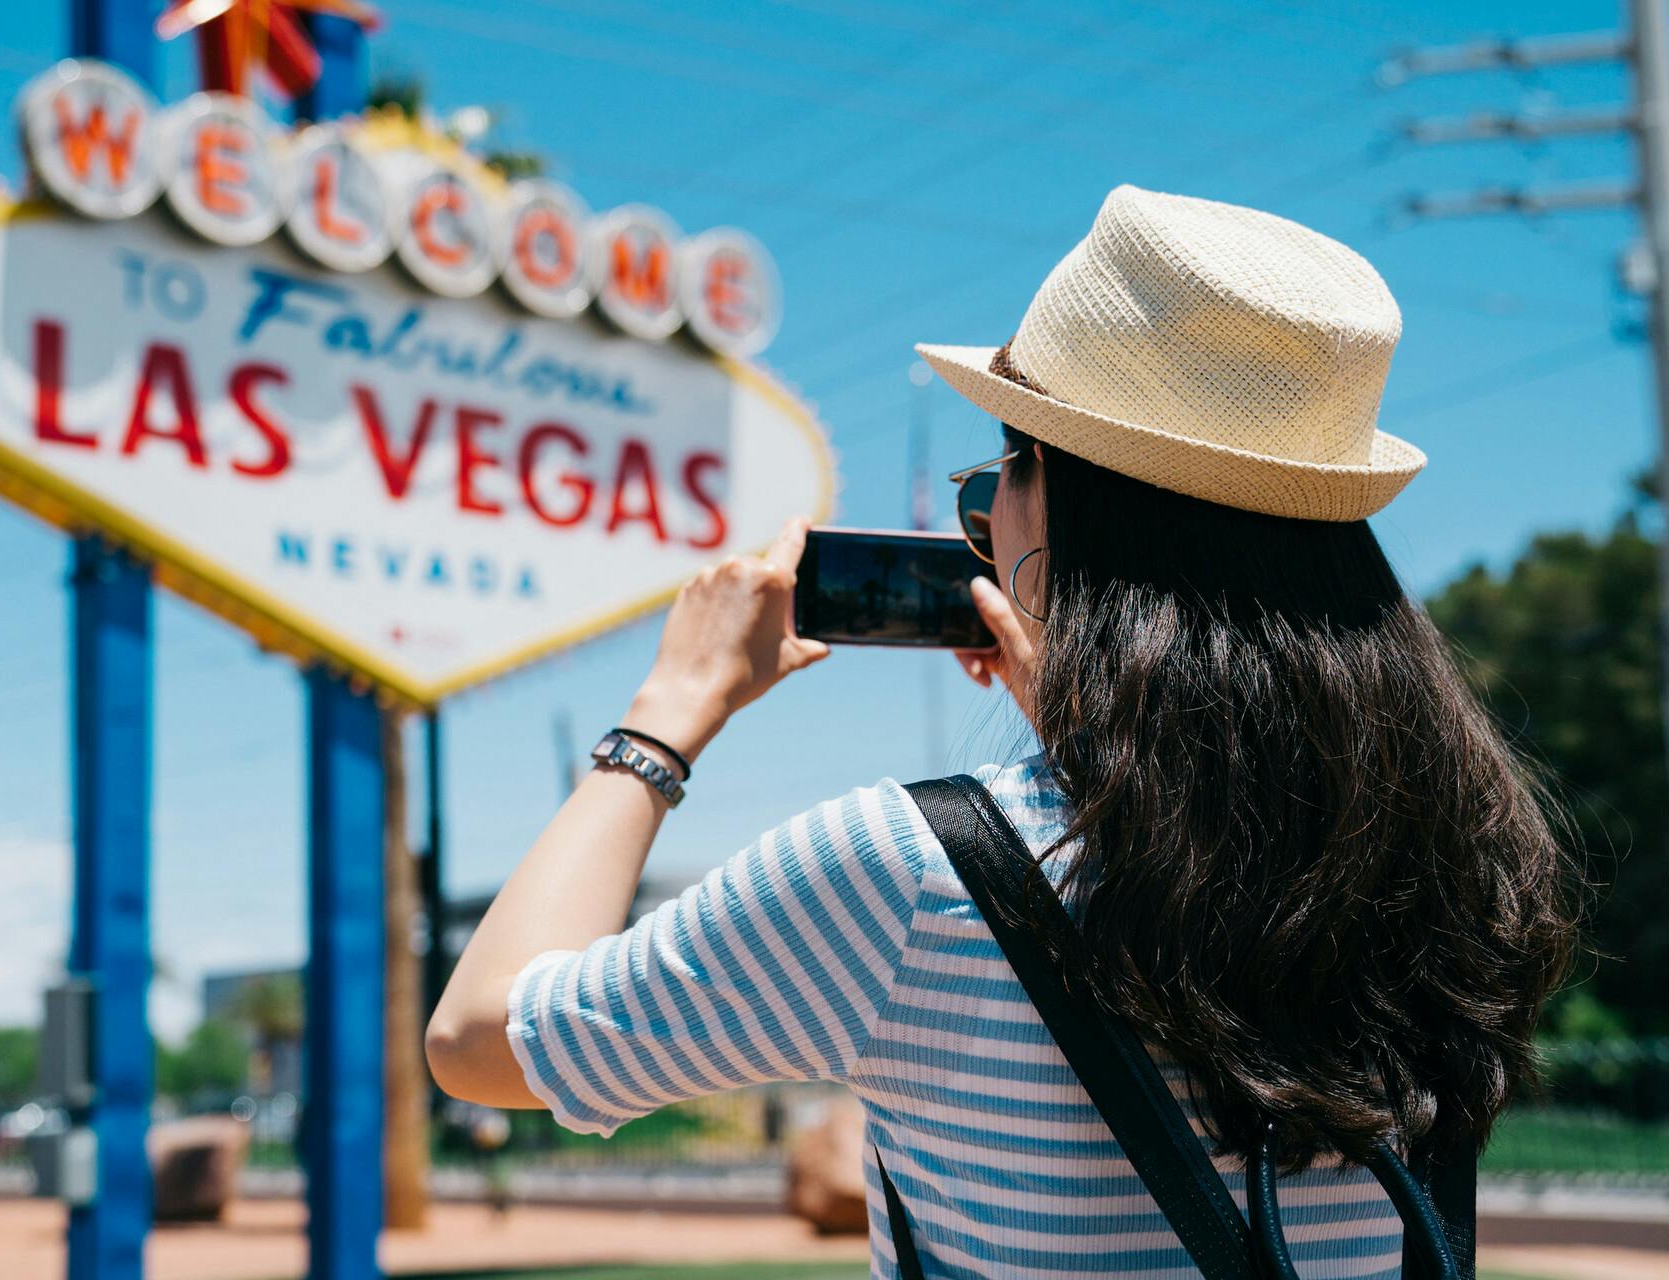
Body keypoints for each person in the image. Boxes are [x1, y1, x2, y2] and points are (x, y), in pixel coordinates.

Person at [426, 186, 1580, 1277]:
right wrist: (1095, 743)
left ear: (1061, 512)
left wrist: (668, 713)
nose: (983, 527)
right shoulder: (1462, 866)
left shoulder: (917, 873)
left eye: (999, 484)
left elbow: (483, 1038)